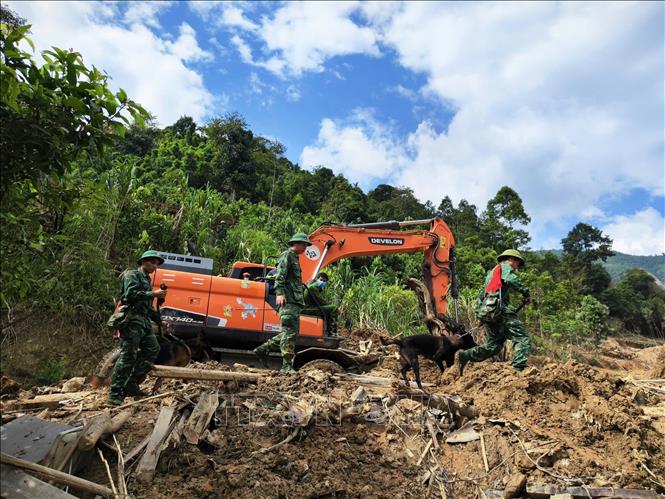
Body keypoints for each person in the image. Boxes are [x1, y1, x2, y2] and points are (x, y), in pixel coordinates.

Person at [457, 249, 531, 375]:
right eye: (518, 263)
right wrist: (525, 292)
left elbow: (482, 295)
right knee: (522, 338)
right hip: (500, 311)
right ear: (512, 259)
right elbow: (511, 279)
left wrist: (480, 315)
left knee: (494, 346)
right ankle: (519, 369)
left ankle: (465, 355)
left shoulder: (492, 273)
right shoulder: (505, 268)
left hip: (488, 311)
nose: (517, 266)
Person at [108, 250, 167, 405]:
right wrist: (153, 294)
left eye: (156, 264)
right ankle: (115, 393)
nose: (154, 266)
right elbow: (129, 295)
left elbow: (147, 307)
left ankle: (131, 383)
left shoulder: (146, 279)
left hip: (143, 322)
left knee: (153, 349)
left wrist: (160, 321)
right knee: (128, 356)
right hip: (131, 319)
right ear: (143, 262)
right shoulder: (132, 275)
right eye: (152, 262)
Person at [253, 233, 311, 373]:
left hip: (295, 301)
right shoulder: (287, 255)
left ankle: (263, 349)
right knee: (289, 333)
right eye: (303, 244)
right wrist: (280, 294)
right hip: (288, 300)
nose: (305, 247)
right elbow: (280, 276)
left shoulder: (295, 258)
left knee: (290, 333)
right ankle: (286, 366)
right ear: (295, 243)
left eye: (306, 245)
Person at [302, 272, 339, 336]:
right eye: (321, 280)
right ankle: (333, 332)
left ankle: (327, 331)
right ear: (317, 279)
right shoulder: (313, 288)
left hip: (312, 307)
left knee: (329, 309)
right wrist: (331, 306)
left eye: (324, 281)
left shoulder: (316, 288)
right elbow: (321, 301)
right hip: (309, 309)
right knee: (334, 308)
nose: (322, 282)